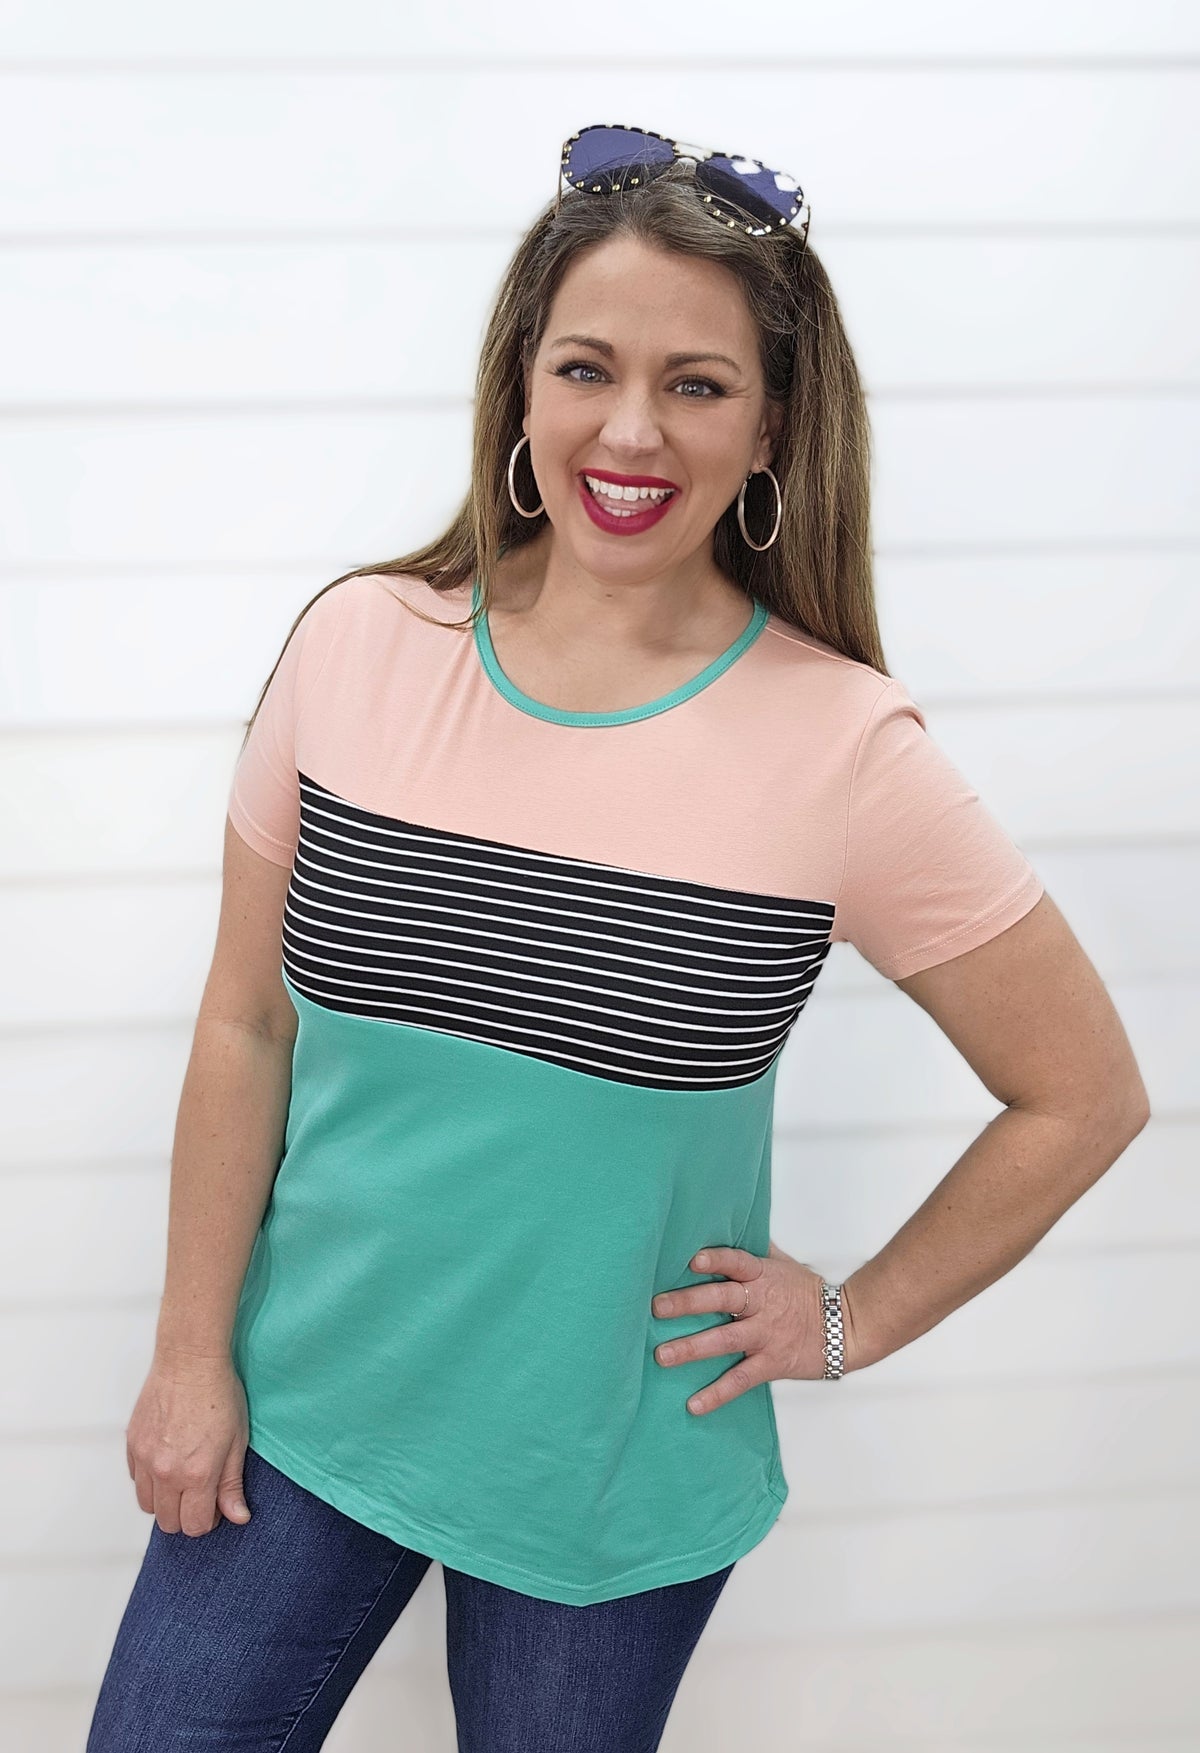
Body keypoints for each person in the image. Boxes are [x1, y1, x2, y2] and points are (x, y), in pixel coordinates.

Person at [86, 124, 1150, 1751]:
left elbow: (1083, 1091)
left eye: (697, 384)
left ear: (772, 424)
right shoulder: (359, 645)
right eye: (587, 367)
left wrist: (851, 1317)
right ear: (523, 382)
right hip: (295, 1411)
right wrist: (186, 1356)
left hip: (607, 1482)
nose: (631, 430)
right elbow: (247, 1021)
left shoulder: (848, 751)